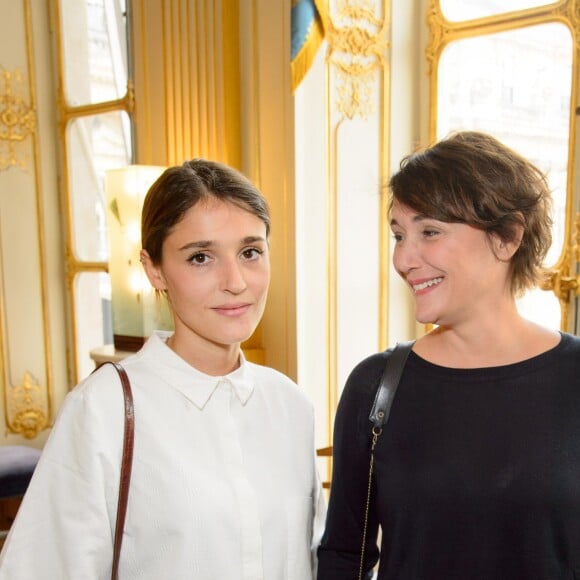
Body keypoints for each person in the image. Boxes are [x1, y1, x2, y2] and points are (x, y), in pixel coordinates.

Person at [0, 159, 326, 579]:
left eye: (250, 252)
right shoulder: (104, 409)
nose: (236, 281)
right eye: (201, 257)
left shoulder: (290, 404)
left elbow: (311, 559)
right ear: (154, 269)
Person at [317, 131, 580, 580]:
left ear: (508, 237)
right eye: (399, 235)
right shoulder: (376, 386)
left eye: (430, 232)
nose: (403, 259)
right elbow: (345, 555)